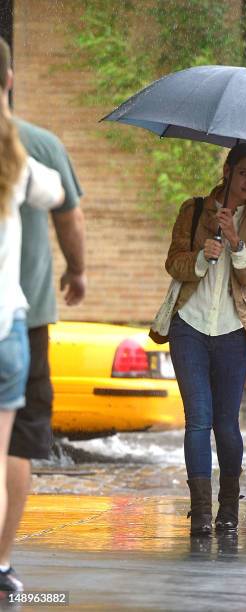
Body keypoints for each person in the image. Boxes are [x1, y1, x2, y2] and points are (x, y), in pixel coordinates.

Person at [0, 37, 86, 593]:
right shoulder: (35, 149)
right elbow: (67, 215)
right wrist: (78, 272)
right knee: (15, 445)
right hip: (18, 322)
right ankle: (1, 561)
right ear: (9, 78)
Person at [165, 142, 246, 536]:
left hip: (233, 332)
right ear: (227, 171)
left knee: (226, 424)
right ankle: (201, 513)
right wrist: (200, 256)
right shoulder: (193, 209)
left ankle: (228, 507)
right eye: (243, 173)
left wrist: (235, 242)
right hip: (189, 327)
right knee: (198, 421)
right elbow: (172, 261)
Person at [0, 94, 64, 592]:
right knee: (7, 452)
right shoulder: (18, 158)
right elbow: (60, 195)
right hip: (7, 324)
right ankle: (0, 563)